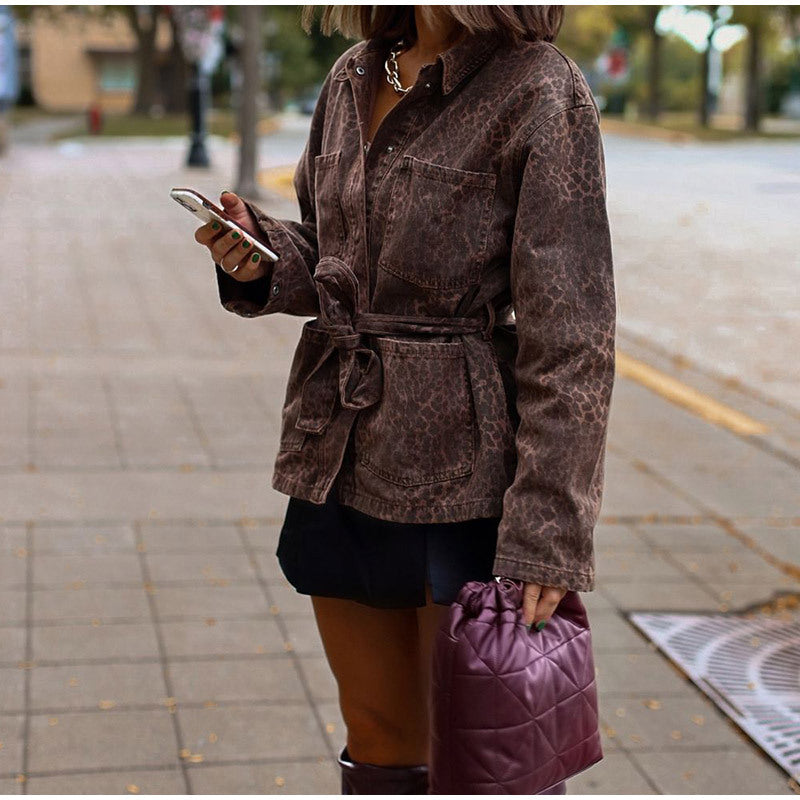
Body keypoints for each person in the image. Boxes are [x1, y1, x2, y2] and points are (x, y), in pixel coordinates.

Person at [194, 5, 616, 795]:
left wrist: (550, 532)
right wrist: (263, 255)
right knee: (378, 742)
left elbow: (573, 334)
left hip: (460, 473)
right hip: (339, 452)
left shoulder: (538, 88)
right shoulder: (354, 73)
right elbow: (334, 254)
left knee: (480, 760)